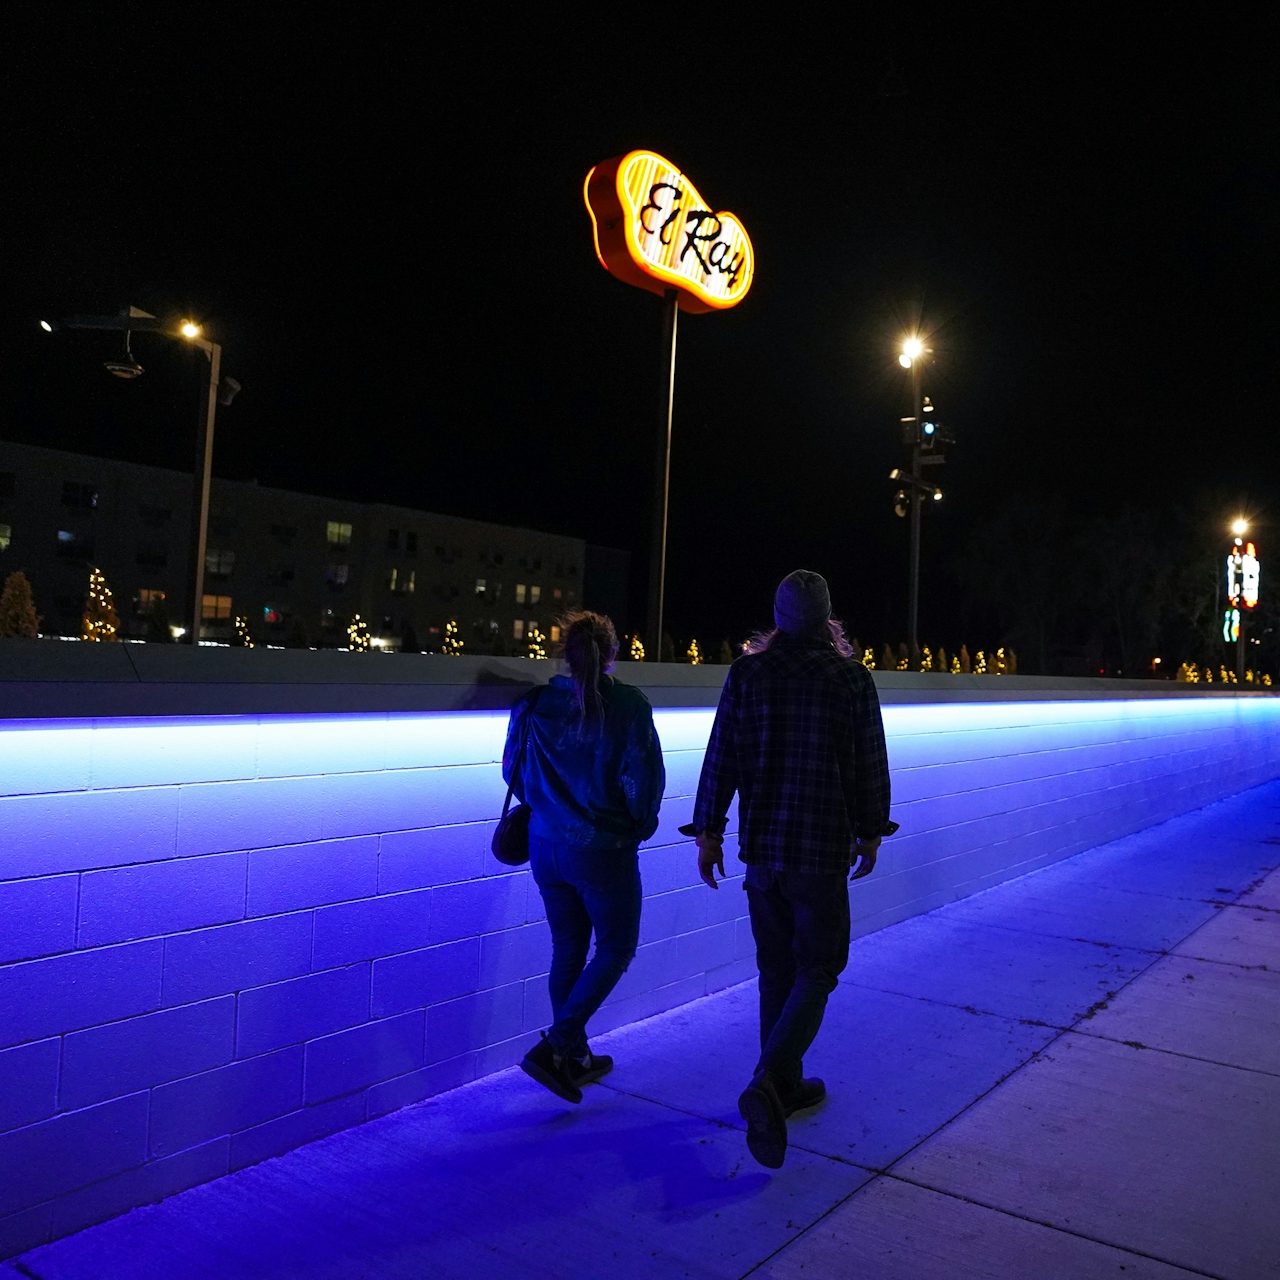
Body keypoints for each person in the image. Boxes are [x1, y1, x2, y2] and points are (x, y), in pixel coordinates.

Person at [686, 571, 896, 1168]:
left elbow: (720, 754)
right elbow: (869, 762)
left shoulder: (749, 674)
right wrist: (872, 830)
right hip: (821, 850)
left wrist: (708, 832)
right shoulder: (851, 679)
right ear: (827, 619)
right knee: (821, 967)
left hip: (763, 852)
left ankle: (782, 1085)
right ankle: (773, 1079)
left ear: (777, 619)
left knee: (775, 969)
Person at [505, 611, 666, 1104]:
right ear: (613, 652)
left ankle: (574, 1056)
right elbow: (643, 781)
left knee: (567, 950)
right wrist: (640, 824)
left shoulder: (534, 704)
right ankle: (556, 1047)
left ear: (564, 653)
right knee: (615, 949)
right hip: (602, 850)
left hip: (544, 845)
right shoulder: (628, 706)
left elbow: (512, 770)